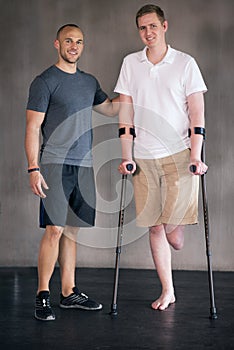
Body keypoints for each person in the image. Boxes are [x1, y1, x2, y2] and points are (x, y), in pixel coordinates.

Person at [115, 4, 208, 311]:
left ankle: (175, 228)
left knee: (175, 236)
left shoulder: (185, 63)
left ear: (164, 26)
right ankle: (168, 290)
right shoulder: (131, 63)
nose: (148, 33)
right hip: (144, 157)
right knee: (155, 227)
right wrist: (126, 155)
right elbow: (126, 112)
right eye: (142, 28)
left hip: (180, 154)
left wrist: (196, 155)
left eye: (153, 26)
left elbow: (197, 112)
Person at [25, 24, 119, 321]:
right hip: (53, 165)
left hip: (84, 165)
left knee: (73, 232)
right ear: (57, 44)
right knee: (54, 230)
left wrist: (135, 84)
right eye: (68, 41)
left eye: (79, 41)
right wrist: (33, 168)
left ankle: (68, 292)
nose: (74, 46)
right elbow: (31, 127)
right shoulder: (45, 81)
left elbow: (112, 109)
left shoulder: (89, 82)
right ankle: (42, 295)